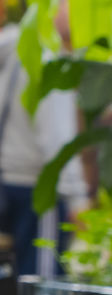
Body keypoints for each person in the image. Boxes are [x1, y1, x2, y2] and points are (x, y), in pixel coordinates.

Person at [0, 7, 88, 279]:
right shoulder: (48, 60)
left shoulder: (13, 49)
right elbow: (57, 138)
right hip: (38, 189)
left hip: (7, 179)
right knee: (39, 286)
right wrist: (78, 198)